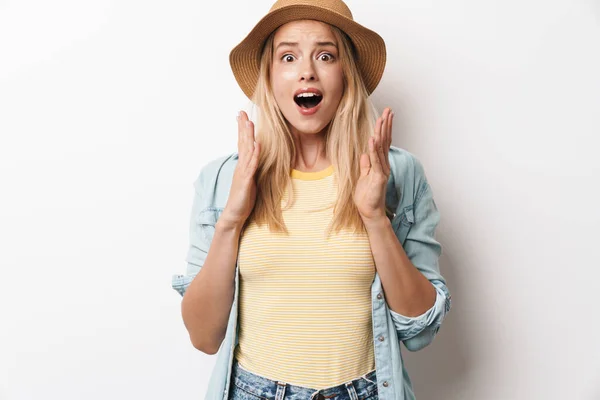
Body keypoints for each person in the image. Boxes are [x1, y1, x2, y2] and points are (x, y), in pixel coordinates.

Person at [171, 1, 452, 399]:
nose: (307, 71)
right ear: (269, 77)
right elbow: (203, 336)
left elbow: (420, 331)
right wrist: (231, 220)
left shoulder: (398, 174)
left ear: (346, 75)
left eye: (325, 55)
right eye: (288, 56)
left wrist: (375, 217)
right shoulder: (221, 179)